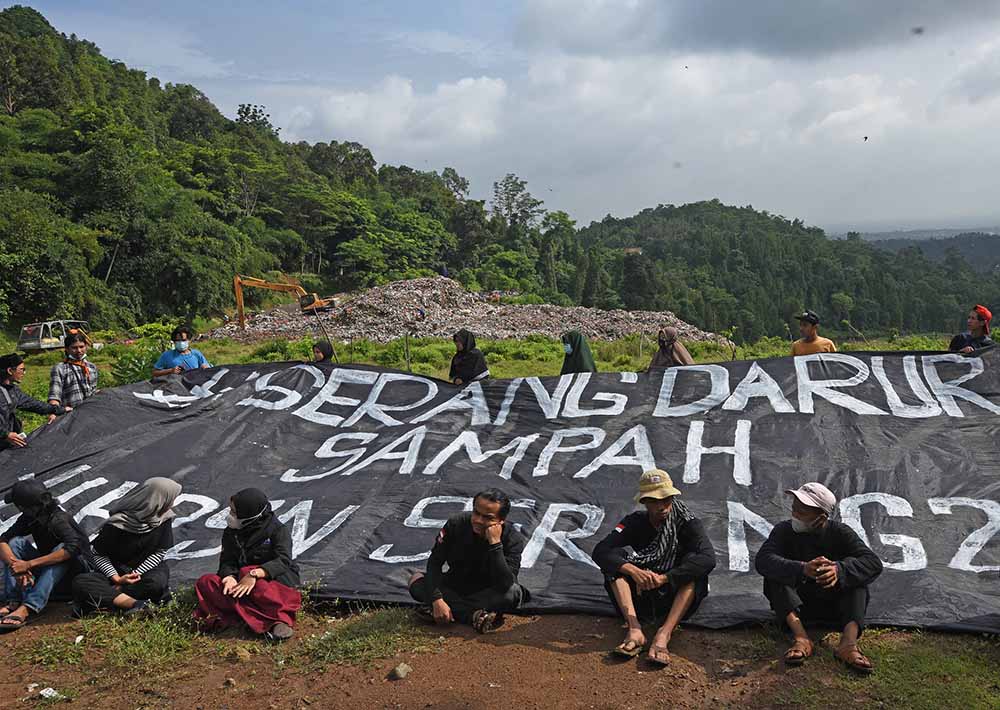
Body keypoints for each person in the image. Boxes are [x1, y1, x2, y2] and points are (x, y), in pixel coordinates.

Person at [754, 482, 883, 674]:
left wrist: (839, 570)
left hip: (835, 607)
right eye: (794, 509)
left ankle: (848, 644)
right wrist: (801, 569)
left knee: (858, 582)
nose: (795, 515)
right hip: (799, 607)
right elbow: (763, 560)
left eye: (802, 512)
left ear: (821, 517)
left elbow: (873, 563)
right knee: (775, 577)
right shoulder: (783, 530)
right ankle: (801, 638)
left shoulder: (840, 533)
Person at [593, 469, 716, 666]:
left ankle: (664, 633)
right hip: (641, 592)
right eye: (655, 500)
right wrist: (635, 572)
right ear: (644, 502)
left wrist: (664, 578)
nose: (662, 506)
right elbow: (601, 551)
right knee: (615, 562)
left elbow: (708, 558)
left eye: (666, 499)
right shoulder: (634, 522)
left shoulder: (687, 523)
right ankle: (634, 628)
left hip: (672, 592)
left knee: (694, 566)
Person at [408, 489, 529, 634]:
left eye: (487, 518)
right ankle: (472, 616)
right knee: (416, 580)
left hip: (488, 591)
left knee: (512, 594)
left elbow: (505, 584)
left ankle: (449, 610)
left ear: (500, 521)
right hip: (457, 585)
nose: (478, 520)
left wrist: (495, 544)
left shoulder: (512, 539)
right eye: (476, 513)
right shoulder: (456, 524)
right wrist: (436, 600)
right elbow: (434, 563)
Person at [193, 488, 300, 642]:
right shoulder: (232, 532)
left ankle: (278, 621)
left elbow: (283, 560)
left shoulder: (277, 530)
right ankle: (246, 617)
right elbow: (227, 560)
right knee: (206, 582)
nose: (231, 516)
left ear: (249, 514)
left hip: (271, 581)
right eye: (231, 510)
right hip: (241, 583)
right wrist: (229, 577)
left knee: (248, 573)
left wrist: (255, 574)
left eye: (235, 512)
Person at [71, 477, 181, 617]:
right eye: (170, 499)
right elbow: (99, 554)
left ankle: (109, 601)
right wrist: (117, 579)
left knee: (156, 582)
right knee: (82, 581)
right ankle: (135, 605)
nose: (171, 504)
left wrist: (132, 577)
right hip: (115, 571)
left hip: (143, 571)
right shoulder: (117, 524)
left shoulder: (163, 519)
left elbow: (159, 553)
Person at [0, 480, 92, 632]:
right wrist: (17, 568)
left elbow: (72, 548)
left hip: (77, 578)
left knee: (61, 550)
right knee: (15, 542)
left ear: (23, 507)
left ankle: (28, 607)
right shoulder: (29, 518)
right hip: (51, 577)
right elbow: (3, 539)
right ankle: (13, 601)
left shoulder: (59, 520)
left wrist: (29, 564)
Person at [1, 353, 71, 451]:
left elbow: (35, 405)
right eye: (22, 369)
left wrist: (60, 409)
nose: (24, 373)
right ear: (10, 371)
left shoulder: (13, 390)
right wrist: (5, 434)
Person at [48, 331, 99, 409]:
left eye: (81, 347)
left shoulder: (91, 367)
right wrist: (54, 411)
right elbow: (54, 396)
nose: (79, 350)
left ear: (86, 347)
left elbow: (93, 391)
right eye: (74, 348)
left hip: (90, 412)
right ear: (67, 349)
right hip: (70, 415)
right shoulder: (60, 368)